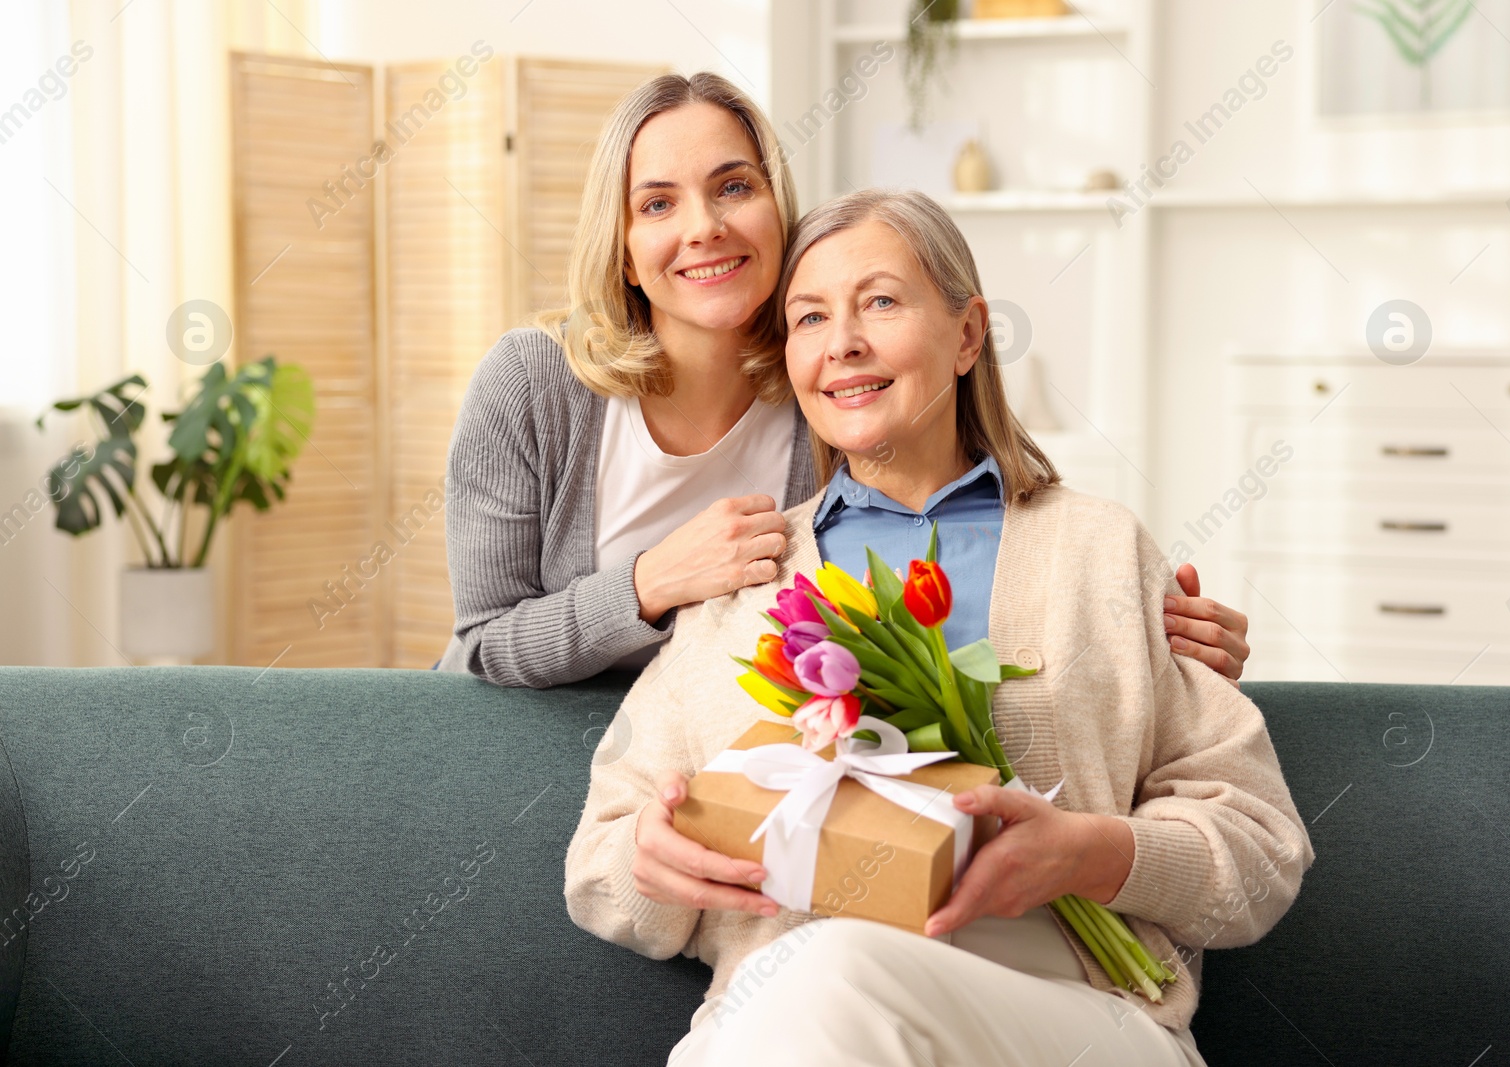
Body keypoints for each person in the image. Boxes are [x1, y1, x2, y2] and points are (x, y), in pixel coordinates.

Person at [565, 189, 1315, 1066]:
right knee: (804, 989)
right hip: (786, 1016)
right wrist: (654, 866)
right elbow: (601, 862)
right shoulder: (743, 580)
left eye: (879, 301)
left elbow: (1261, 852)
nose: (841, 340)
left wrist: (1090, 854)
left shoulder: (1098, 549)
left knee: (829, 973)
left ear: (968, 335)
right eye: (809, 317)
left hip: (1073, 1019)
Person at [435, 72, 1252, 688]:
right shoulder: (534, 382)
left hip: (731, 774)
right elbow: (482, 643)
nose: (704, 226)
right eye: (656, 205)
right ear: (620, 250)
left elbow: (968, 532)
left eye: (733, 186)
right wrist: (650, 584)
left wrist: (1151, 636)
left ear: (776, 208)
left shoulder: (828, 385)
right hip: (524, 757)